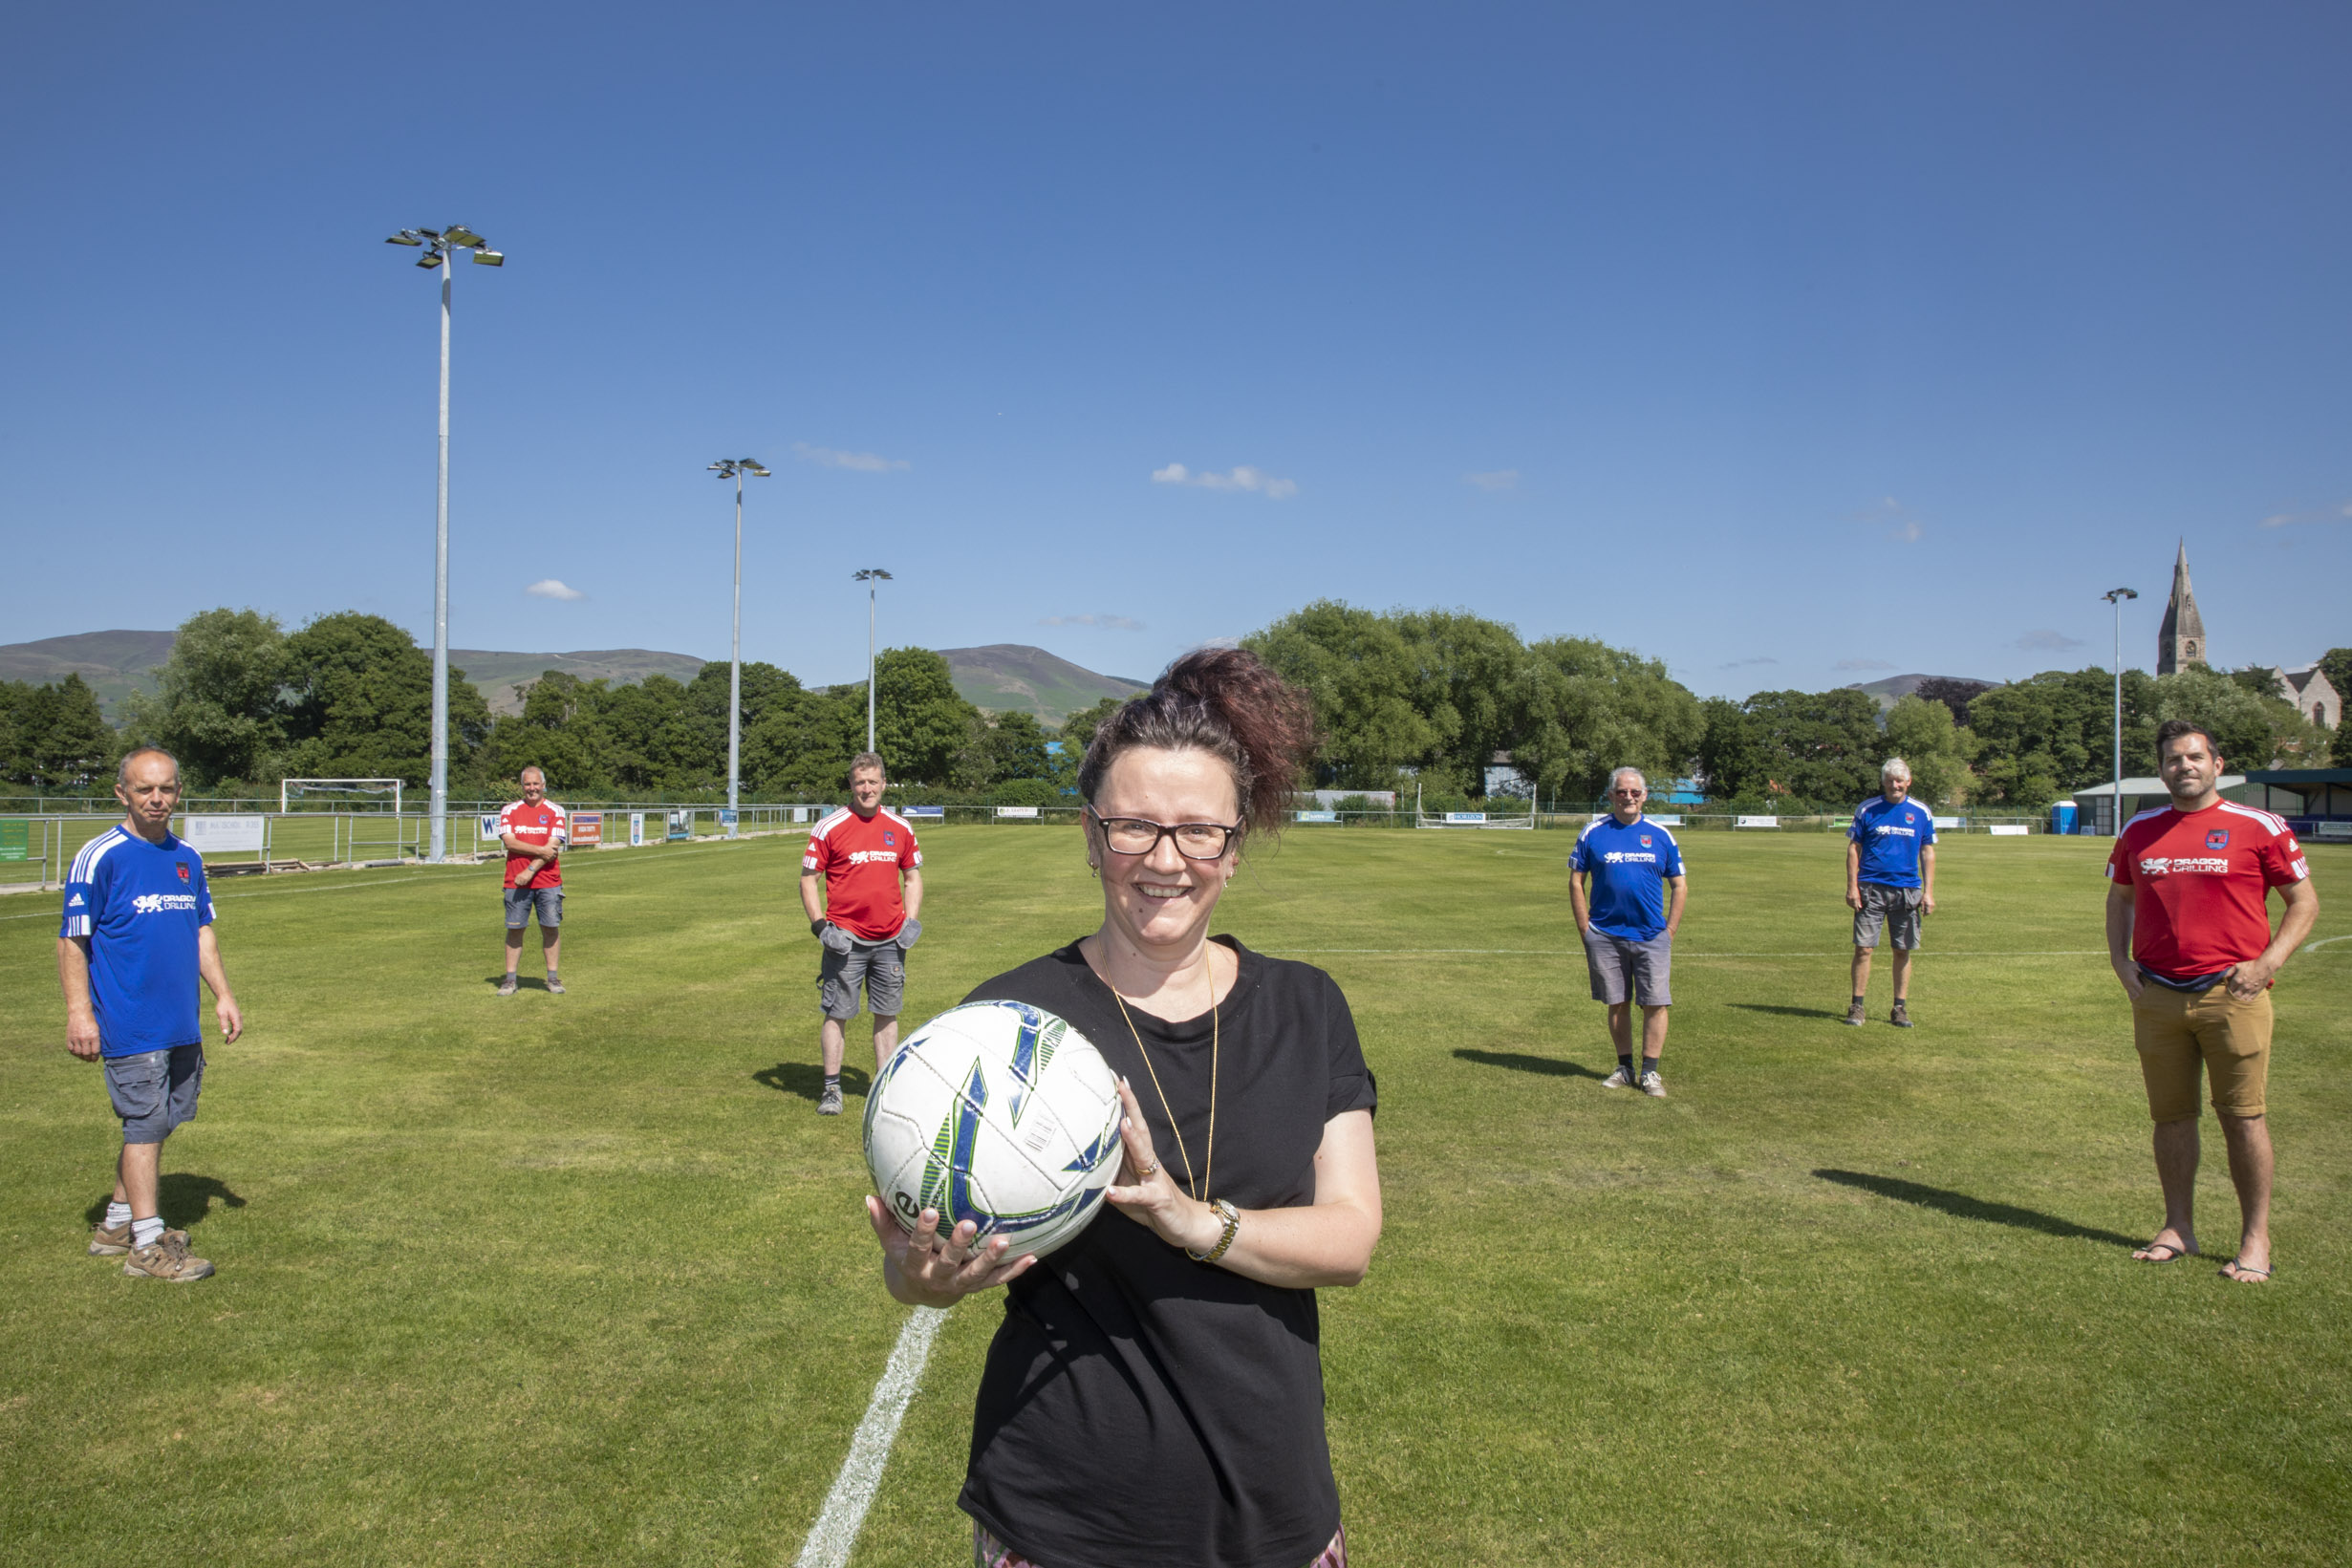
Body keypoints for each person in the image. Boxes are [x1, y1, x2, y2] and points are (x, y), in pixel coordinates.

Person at [861, 649, 1380, 1568]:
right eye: (1133, 827)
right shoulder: (1006, 1022)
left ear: (1236, 842)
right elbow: (922, 1263)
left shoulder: (1307, 1006)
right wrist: (920, 1278)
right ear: (1093, 835)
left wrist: (1191, 1221)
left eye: (1198, 831)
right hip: (1064, 1517)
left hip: (1273, 1511)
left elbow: (1350, 1239)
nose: (1165, 861)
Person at [2106, 720, 2317, 1283]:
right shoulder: (2140, 829)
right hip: (2158, 994)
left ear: (2217, 764)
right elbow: (2120, 897)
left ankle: (2255, 1241)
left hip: (2233, 994)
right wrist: (2120, 961)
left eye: (2195, 757)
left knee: (2243, 1118)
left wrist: (2266, 964)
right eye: (2174, 759)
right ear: (2162, 768)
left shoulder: (2260, 825)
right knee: (2170, 1119)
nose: (2185, 767)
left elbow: (2303, 903)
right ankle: (2178, 1227)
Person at [57, 747, 243, 1282]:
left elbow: (201, 931)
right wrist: (80, 1013)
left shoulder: (187, 856)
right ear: (122, 793)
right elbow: (73, 941)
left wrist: (223, 995)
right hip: (129, 1018)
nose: (156, 799)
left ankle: (115, 1223)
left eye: (166, 788)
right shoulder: (101, 856)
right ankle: (145, 1243)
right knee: (143, 1123)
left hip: (179, 1018)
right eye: (144, 789)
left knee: (165, 1119)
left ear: (178, 792)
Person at [801, 752, 923, 1116]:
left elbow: (912, 877)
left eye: (872, 782)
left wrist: (910, 921)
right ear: (851, 785)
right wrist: (821, 928)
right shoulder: (830, 826)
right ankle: (831, 1089)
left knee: (887, 1012)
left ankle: (884, 1088)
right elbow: (809, 879)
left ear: (884, 784)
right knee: (838, 1012)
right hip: (846, 941)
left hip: (890, 941)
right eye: (860, 782)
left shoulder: (900, 827)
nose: (866, 789)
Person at [1568, 766, 1687, 1097]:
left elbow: (1679, 885)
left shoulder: (1661, 835)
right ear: (1611, 795)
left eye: (1635, 792)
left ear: (1645, 795)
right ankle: (1625, 1067)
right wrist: (1585, 928)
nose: (1629, 797)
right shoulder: (1593, 832)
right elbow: (1576, 881)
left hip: (1651, 935)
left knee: (1656, 1003)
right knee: (1617, 1002)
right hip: (1605, 934)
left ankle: (1650, 1073)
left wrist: (1670, 929)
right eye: (1622, 792)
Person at [1845, 758, 1937, 1027]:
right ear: (1883, 782)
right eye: (1889, 780)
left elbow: (1927, 851)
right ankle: (1857, 1006)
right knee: (1864, 949)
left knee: (1902, 950)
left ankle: (1899, 1008)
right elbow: (1854, 849)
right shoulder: (1868, 809)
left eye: (1899, 780)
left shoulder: (1921, 812)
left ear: (1908, 782)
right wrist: (1852, 887)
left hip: (1907, 891)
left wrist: (1928, 892)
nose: (1894, 785)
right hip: (1870, 889)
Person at [497, 766, 569, 996]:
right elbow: (510, 842)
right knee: (515, 929)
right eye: (527, 784)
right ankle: (510, 980)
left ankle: (553, 978)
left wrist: (529, 869)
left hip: (548, 881)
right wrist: (541, 851)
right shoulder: (509, 810)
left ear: (544, 784)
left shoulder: (556, 810)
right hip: (515, 882)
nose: (532, 788)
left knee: (550, 928)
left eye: (536, 784)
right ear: (522, 786)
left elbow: (554, 845)